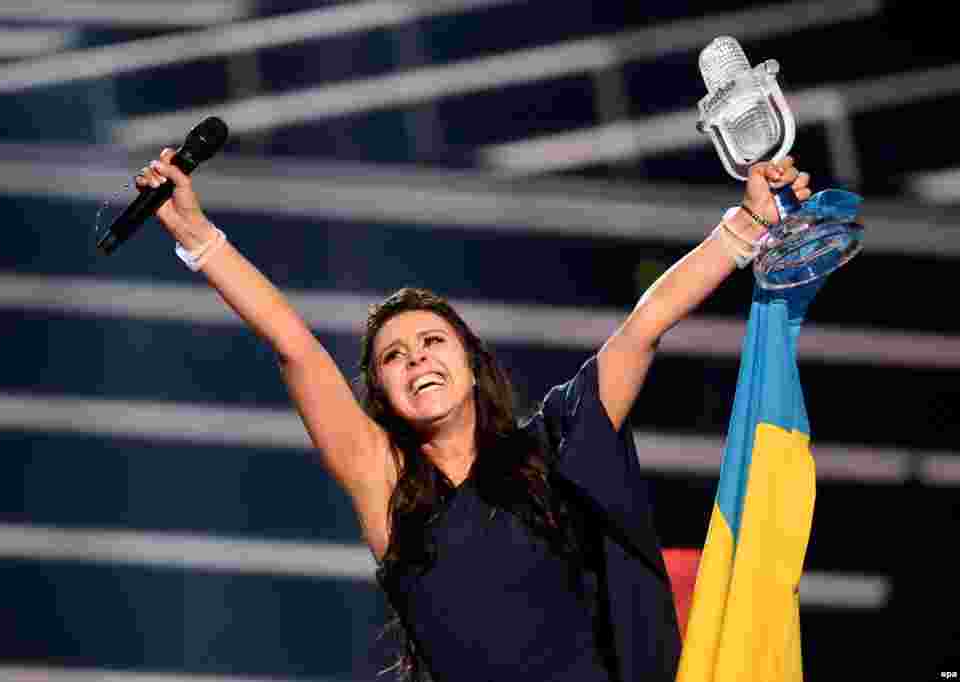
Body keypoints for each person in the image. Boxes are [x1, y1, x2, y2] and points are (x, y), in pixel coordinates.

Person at [135, 151, 812, 681]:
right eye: (394, 356)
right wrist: (198, 237)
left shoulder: (556, 442)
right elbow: (297, 349)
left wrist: (745, 227)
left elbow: (643, 329)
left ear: (470, 360)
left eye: (432, 342)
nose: (417, 360)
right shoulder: (386, 489)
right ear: (381, 394)